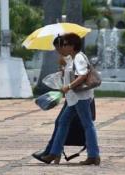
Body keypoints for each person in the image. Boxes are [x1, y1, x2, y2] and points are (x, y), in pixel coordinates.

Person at [32, 35, 96, 164]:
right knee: (62, 122)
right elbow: (69, 75)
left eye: (64, 44)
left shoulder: (79, 57)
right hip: (73, 99)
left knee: (87, 125)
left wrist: (69, 86)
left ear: (72, 46)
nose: (62, 47)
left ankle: (93, 155)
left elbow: (83, 76)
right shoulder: (72, 59)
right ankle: (54, 153)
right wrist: (63, 67)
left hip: (81, 98)